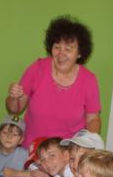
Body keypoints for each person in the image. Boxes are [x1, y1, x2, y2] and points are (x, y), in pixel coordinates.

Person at [6, 15, 101, 147]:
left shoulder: (88, 80)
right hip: (32, 152)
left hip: (67, 155)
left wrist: (86, 145)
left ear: (79, 53)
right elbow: (14, 109)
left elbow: (93, 119)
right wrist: (13, 97)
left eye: (68, 49)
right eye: (57, 47)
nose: (61, 53)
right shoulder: (37, 69)